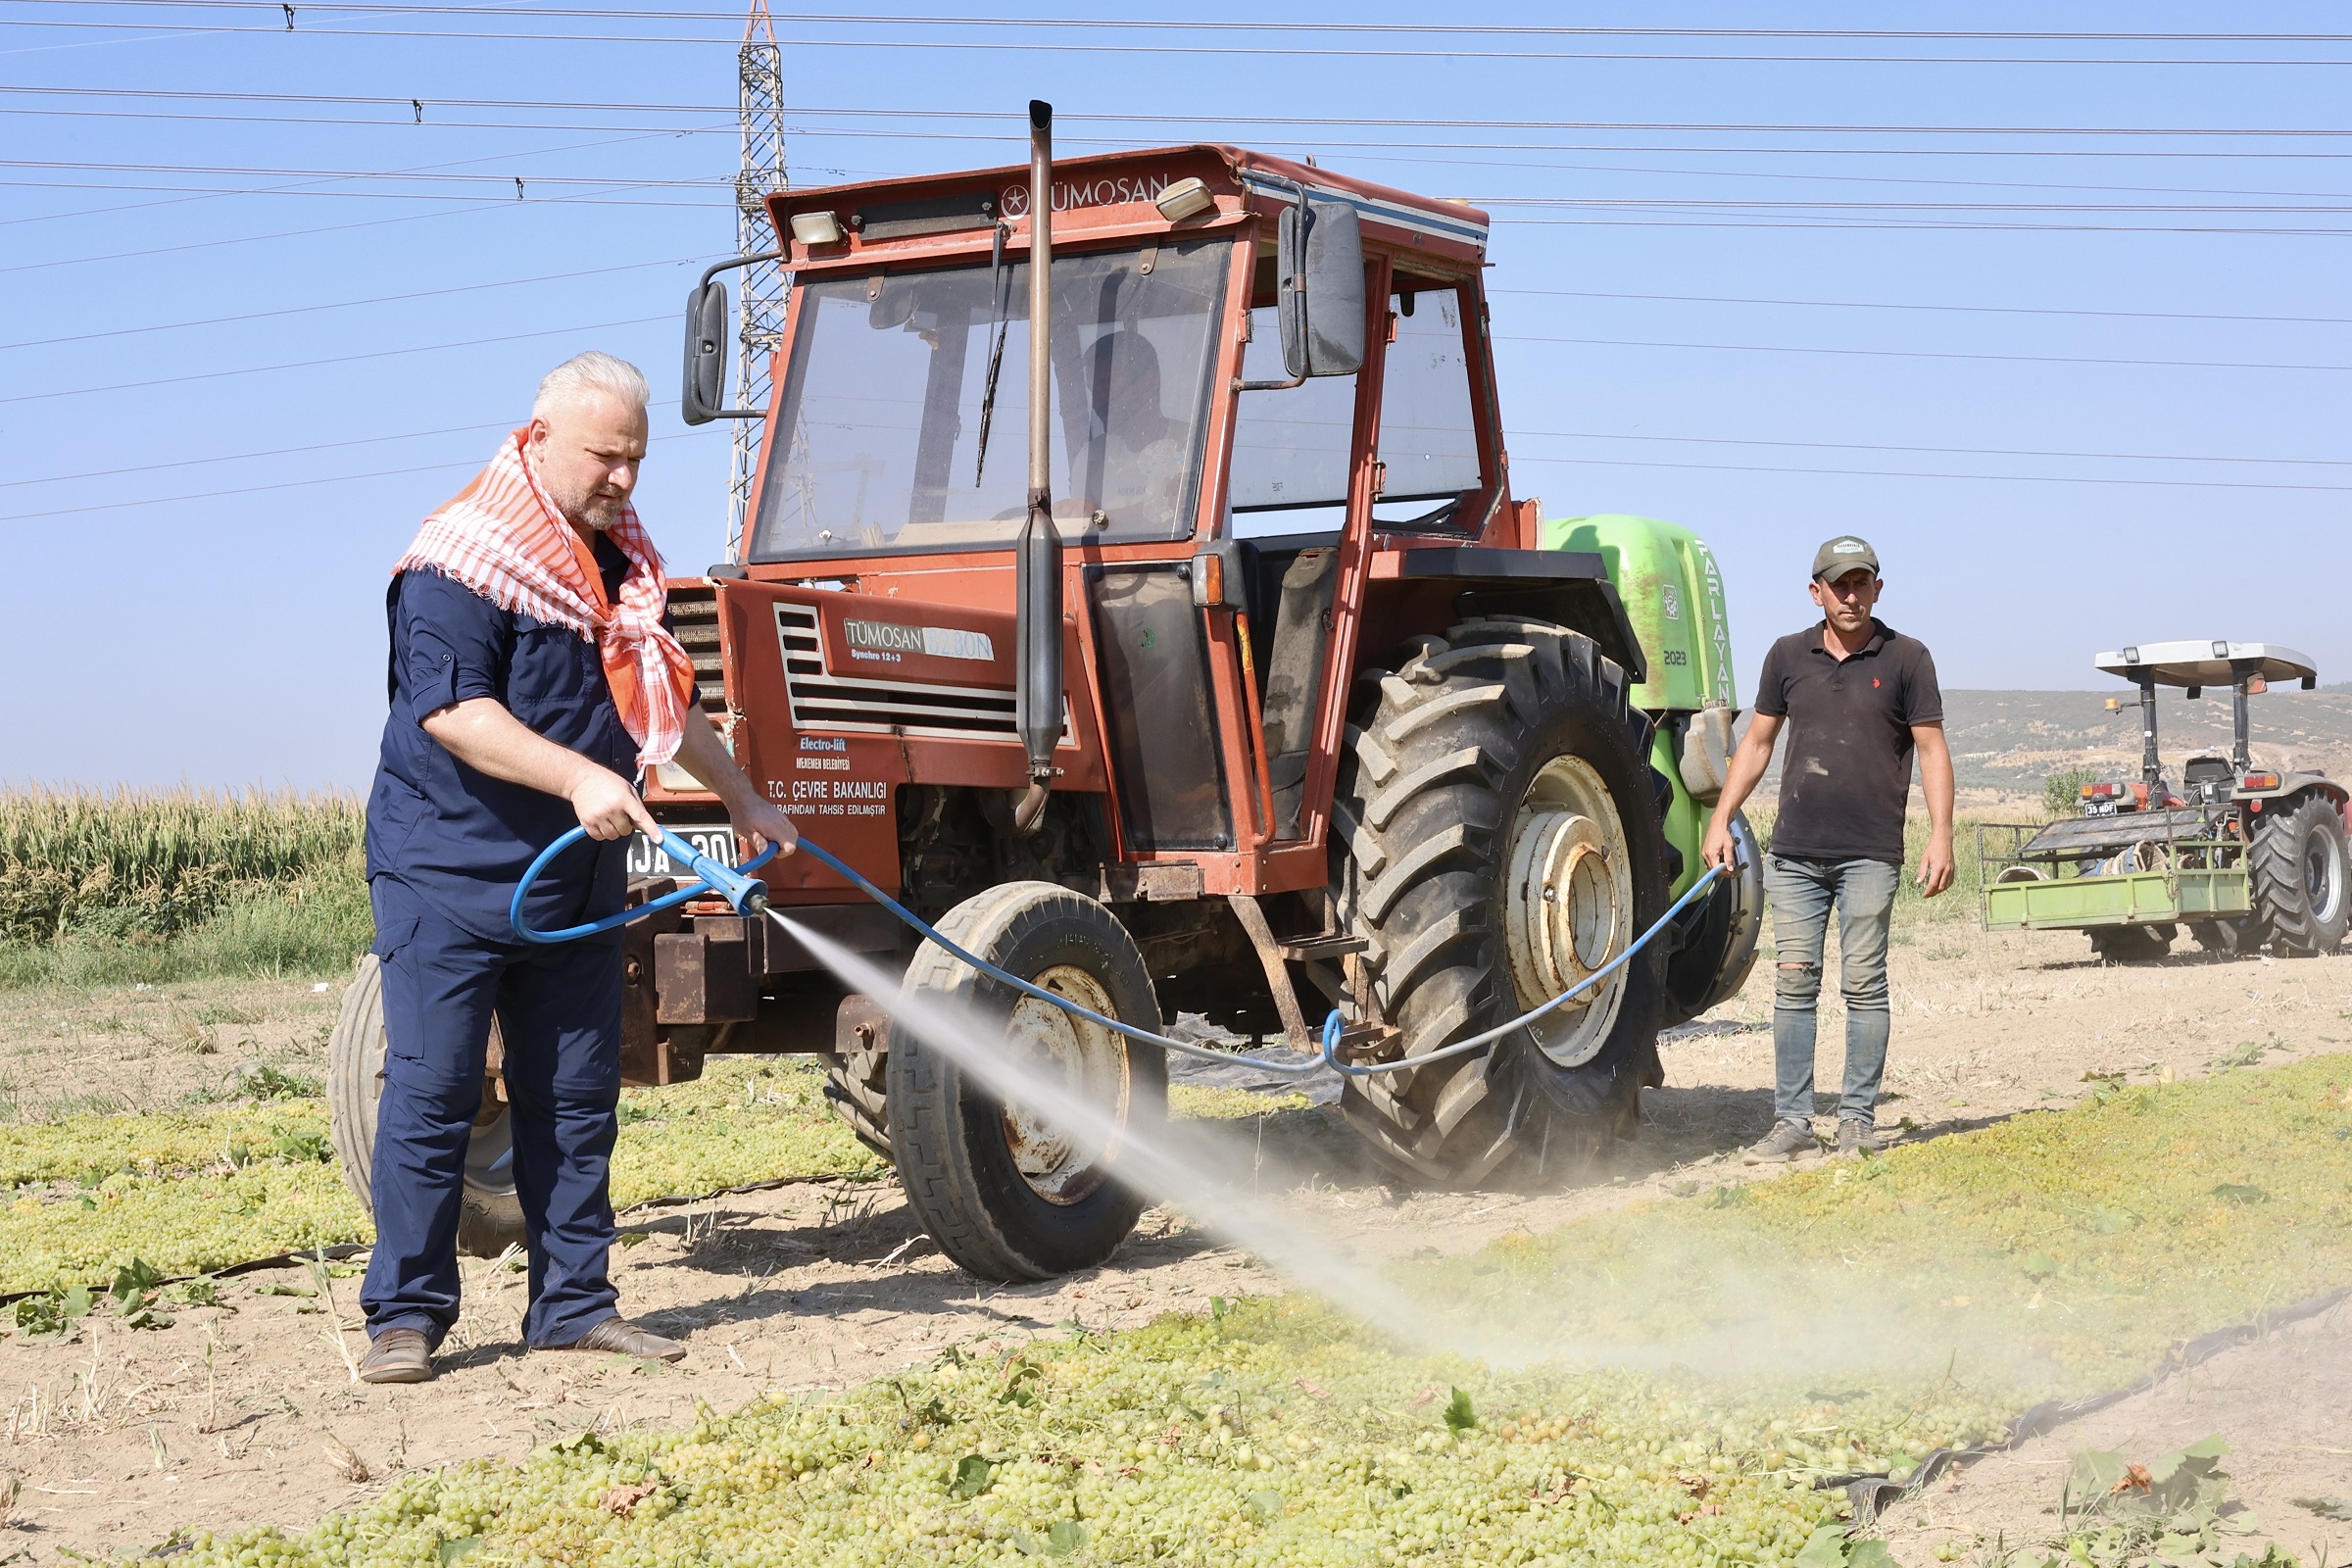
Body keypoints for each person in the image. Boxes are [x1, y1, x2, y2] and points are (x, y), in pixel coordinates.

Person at [357, 351, 798, 1385]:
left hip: (573, 881)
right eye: (607, 457)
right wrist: (576, 781)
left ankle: (572, 1306)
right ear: (542, 436)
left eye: (637, 460)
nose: (625, 481)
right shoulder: (459, 562)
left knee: (575, 1094)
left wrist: (742, 795)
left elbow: (657, 703)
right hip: (450, 872)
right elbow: (455, 713)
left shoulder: (610, 565)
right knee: (435, 1091)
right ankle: (406, 1317)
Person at [1700, 536, 1955, 1164]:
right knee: (1793, 983)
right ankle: (1792, 1124)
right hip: (1796, 852)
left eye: (1861, 582)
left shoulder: (1907, 658)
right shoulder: (1787, 656)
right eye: (1838, 584)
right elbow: (1756, 745)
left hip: (1871, 851)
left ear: (1877, 588)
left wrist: (1942, 834)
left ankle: (1858, 1122)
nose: (1850, 595)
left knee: (1865, 986)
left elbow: (1931, 750)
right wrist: (1720, 820)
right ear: (1816, 591)